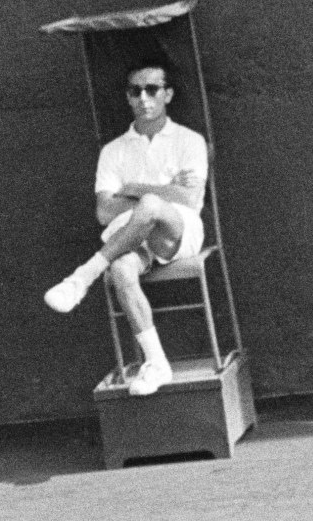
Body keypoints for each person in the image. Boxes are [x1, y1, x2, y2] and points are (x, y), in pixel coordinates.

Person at [43, 55, 209, 396]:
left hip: (178, 233)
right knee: (120, 270)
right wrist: (168, 188)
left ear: (168, 94)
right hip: (130, 240)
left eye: (152, 89)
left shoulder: (189, 141)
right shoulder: (112, 151)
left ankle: (82, 277)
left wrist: (133, 188)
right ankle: (158, 363)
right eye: (136, 91)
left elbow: (190, 201)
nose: (144, 98)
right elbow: (104, 212)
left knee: (149, 205)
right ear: (128, 97)